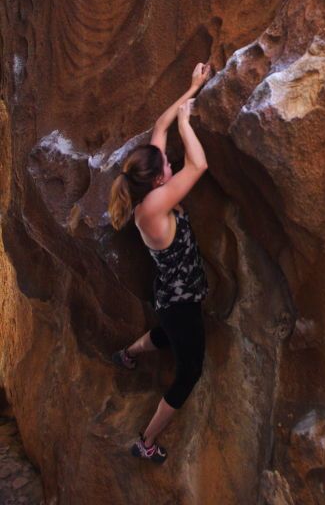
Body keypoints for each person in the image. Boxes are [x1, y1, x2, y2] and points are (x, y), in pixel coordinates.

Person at [107, 61, 212, 464]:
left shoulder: (148, 187)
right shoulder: (153, 206)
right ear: (155, 182)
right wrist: (188, 125)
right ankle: (146, 441)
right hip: (179, 299)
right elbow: (198, 166)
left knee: (167, 335)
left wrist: (193, 87)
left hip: (172, 291)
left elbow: (158, 124)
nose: (170, 163)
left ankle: (128, 354)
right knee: (189, 370)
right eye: (166, 165)